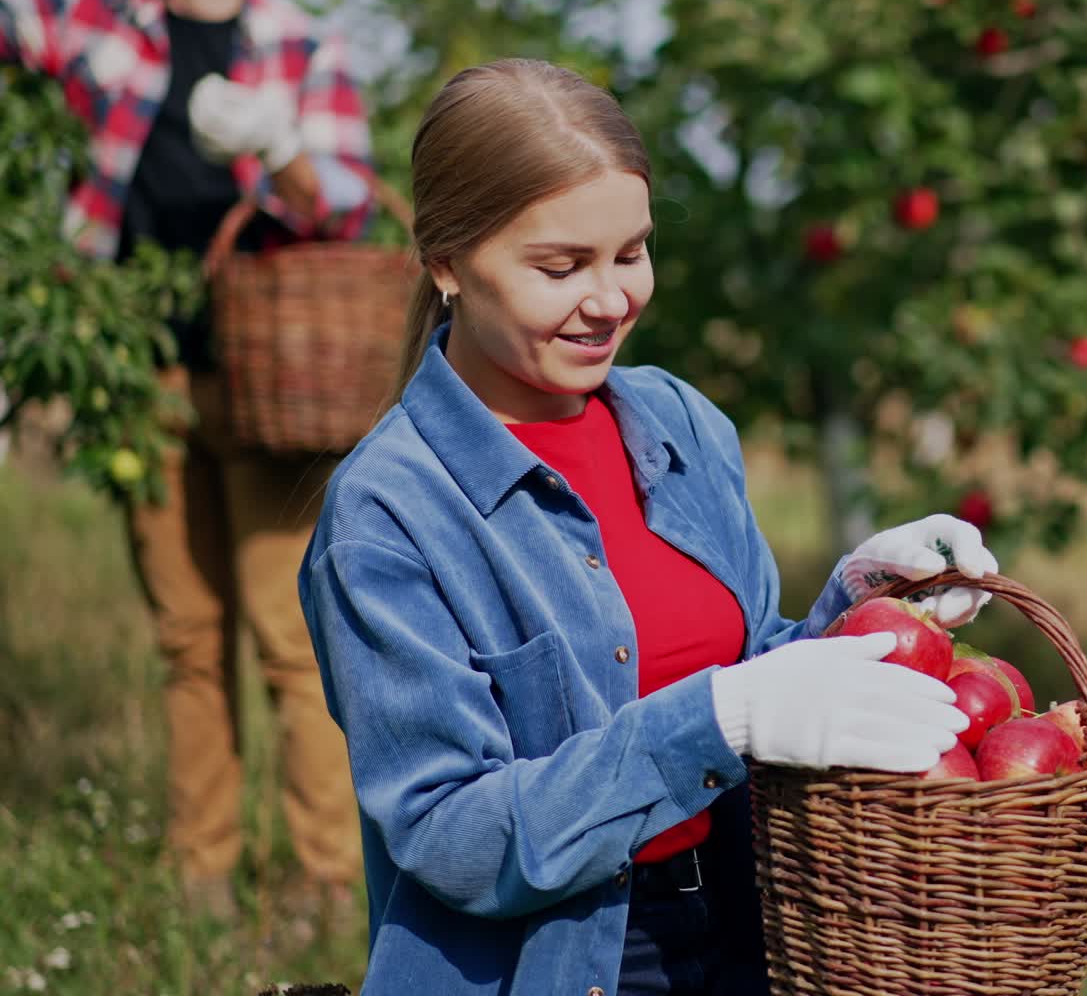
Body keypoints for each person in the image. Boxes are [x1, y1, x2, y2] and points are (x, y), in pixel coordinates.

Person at [298, 58, 997, 994]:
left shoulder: (681, 424)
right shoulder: (391, 512)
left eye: (630, 253)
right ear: (447, 263)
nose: (609, 300)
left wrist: (868, 602)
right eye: (560, 267)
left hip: (751, 932)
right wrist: (716, 722)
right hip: (555, 962)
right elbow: (453, 836)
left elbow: (752, 676)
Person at [0, 0, 372, 923]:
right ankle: (202, 870)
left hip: (271, 388)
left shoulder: (300, 46)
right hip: (142, 372)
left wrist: (279, 142)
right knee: (185, 634)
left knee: (287, 632)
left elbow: (347, 205)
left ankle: (320, 878)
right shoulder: (99, 11)